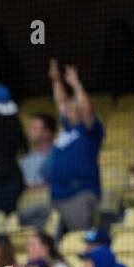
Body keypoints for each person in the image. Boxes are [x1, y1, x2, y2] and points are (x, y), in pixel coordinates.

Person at [45, 62, 103, 233]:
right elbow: (60, 102)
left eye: (73, 105)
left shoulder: (89, 130)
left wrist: (76, 84)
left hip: (79, 195)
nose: (68, 107)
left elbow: (87, 110)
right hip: (57, 196)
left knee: (79, 239)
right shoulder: (66, 129)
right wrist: (56, 80)